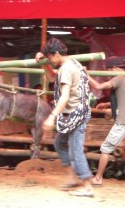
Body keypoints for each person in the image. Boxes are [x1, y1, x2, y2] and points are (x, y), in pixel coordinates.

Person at [35, 38, 94, 197]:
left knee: (76, 150)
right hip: (76, 112)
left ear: (56, 54)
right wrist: (45, 64)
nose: (50, 60)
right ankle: (73, 177)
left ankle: (87, 186)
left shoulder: (67, 68)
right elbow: (54, 79)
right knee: (60, 142)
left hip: (75, 114)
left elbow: (65, 96)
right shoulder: (70, 63)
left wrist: (51, 117)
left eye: (50, 58)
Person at [87, 56, 125, 192]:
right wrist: (108, 103)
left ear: (113, 68)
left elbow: (97, 86)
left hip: (124, 121)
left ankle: (97, 178)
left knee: (105, 149)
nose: (108, 74)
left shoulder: (119, 78)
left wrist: (85, 74)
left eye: (108, 71)